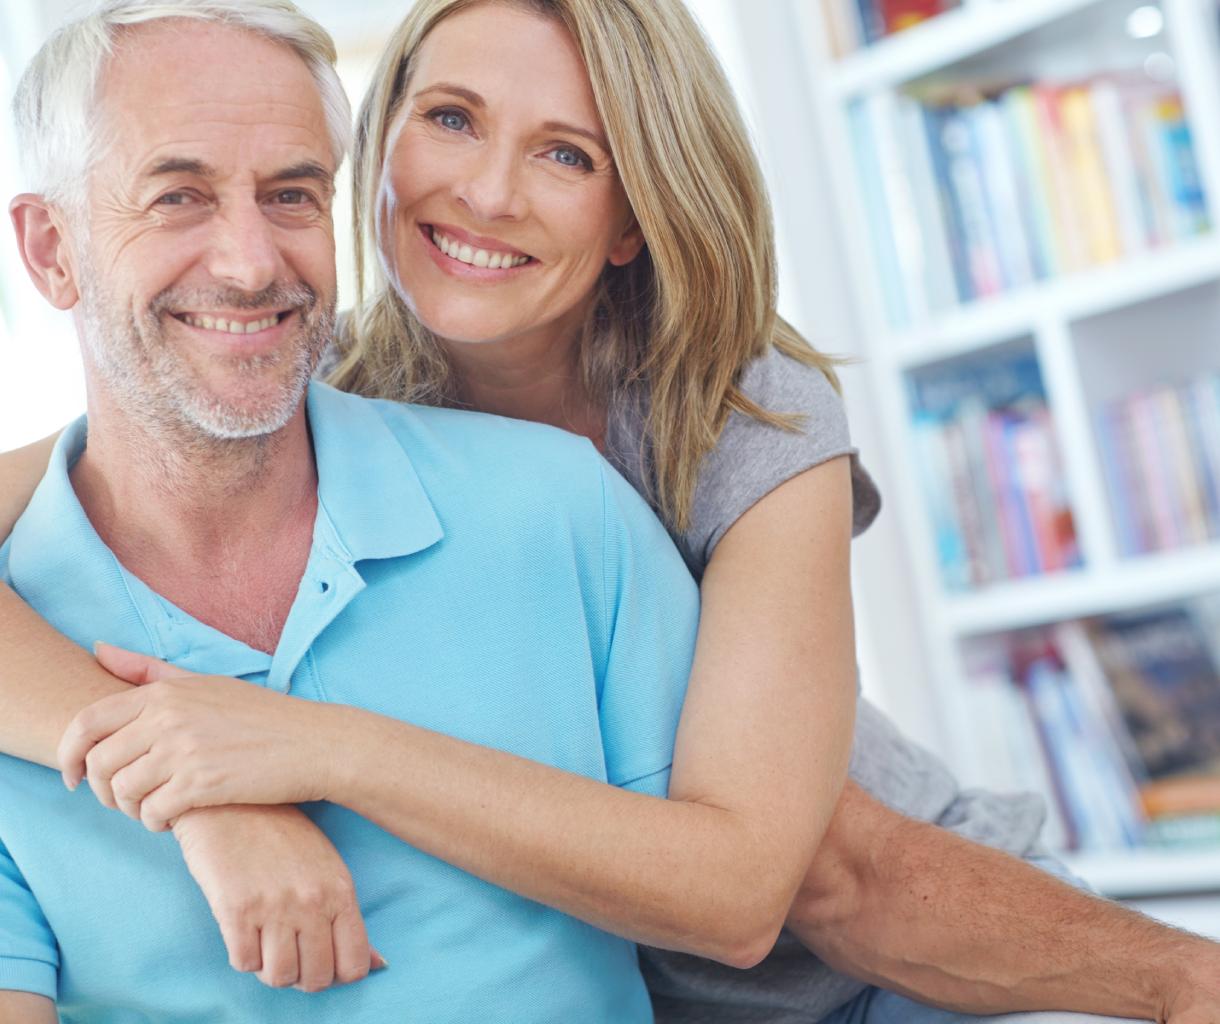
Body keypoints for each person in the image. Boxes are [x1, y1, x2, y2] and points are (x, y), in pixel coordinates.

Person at [1, 1, 1219, 1022]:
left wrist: (1178, 979)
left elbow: (817, 876)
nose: (485, 191)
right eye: (450, 119)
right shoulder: (292, 377)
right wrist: (202, 782)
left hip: (891, 941)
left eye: (567, 154)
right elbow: (94, 461)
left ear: (634, 212)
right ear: (380, 153)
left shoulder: (737, 414)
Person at [0, 4, 701, 1021]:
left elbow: (741, 892)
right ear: (52, 249)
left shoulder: (561, 510)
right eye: (178, 196)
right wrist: (208, 795)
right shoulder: (25, 645)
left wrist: (325, 749)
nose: (248, 263)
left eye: (290, 195)